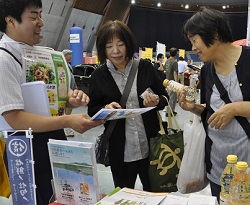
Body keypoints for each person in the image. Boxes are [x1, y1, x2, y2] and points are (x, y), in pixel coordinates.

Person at [0, 1, 102, 204]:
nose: (41, 22)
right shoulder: (4, 58)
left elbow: (59, 104)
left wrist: (71, 100)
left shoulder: (45, 55)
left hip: (55, 141)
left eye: (41, 15)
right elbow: (15, 118)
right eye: (34, 16)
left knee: (61, 198)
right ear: (10, 21)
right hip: (26, 148)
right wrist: (67, 121)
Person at [178, 7, 250, 202]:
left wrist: (235, 108)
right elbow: (211, 110)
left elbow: (228, 109)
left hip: (247, 165)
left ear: (214, 35)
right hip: (219, 165)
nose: (193, 48)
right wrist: (193, 108)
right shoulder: (207, 70)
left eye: (195, 40)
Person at [88, 20, 168, 191]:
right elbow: (92, 110)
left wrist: (156, 101)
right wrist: (106, 109)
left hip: (151, 147)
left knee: (155, 193)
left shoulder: (145, 67)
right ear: (103, 49)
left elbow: (164, 98)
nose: (115, 51)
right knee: (124, 193)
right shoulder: (98, 76)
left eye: (120, 44)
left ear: (128, 44)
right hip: (121, 150)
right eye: (109, 46)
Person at [62, 49, 77, 137]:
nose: (71, 56)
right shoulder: (62, 64)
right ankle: (65, 124)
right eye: (69, 55)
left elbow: (71, 76)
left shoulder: (69, 65)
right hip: (65, 90)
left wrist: (75, 85)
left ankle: (67, 122)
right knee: (66, 106)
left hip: (71, 88)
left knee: (70, 106)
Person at [164, 47, 178, 116]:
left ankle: (170, 110)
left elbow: (164, 69)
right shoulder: (175, 62)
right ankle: (169, 112)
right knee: (173, 97)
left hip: (167, 81)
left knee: (170, 97)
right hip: (172, 82)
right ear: (176, 53)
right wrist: (176, 82)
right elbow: (175, 73)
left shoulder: (167, 61)